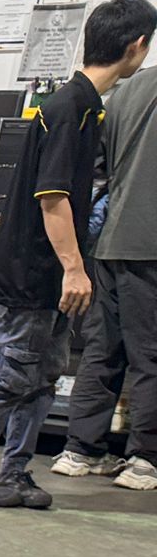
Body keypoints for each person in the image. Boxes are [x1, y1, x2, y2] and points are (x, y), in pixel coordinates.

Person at [0, 0, 156, 510]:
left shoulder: (89, 108)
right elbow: (52, 197)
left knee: (42, 380)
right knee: (14, 375)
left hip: (50, 275)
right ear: (137, 45)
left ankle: (14, 471)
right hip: (30, 273)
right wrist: (75, 269)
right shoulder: (69, 108)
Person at [54, 33, 157, 489]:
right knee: (150, 354)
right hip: (150, 245)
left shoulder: (126, 91)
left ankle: (81, 450)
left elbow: (97, 164)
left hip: (109, 241)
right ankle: (145, 460)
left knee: (103, 348)